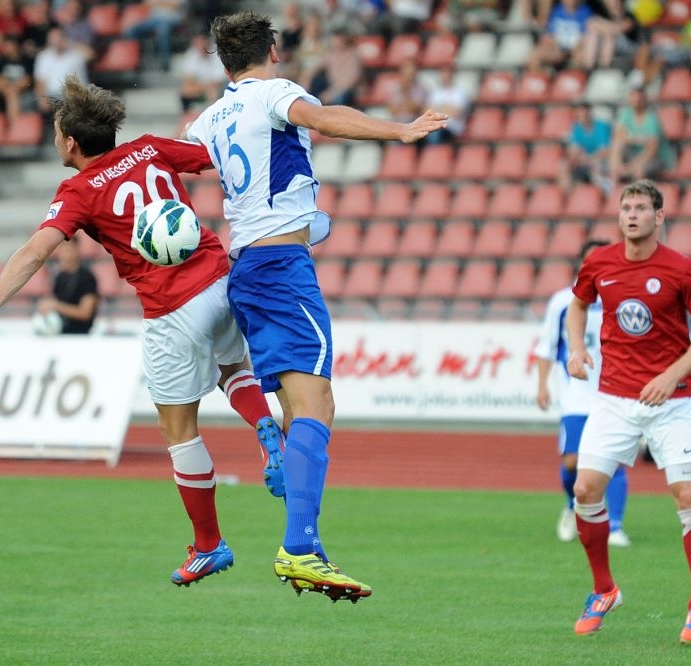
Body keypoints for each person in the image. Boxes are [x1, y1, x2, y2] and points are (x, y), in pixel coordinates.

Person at [0, 74, 287, 589]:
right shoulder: (150, 148)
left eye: (56, 132)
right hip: (220, 278)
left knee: (179, 431)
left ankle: (209, 545)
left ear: (70, 142)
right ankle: (266, 428)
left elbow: (37, 251)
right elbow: (214, 157)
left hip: (172, 308)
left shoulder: (78, 190)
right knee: (233, 367)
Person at [184, 9, 447, 603]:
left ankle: (288, 485)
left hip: (245, 266)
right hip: (281, 267)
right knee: (318, 404)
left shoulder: (207, 119)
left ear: (223, 63)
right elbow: (324, 118)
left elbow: (179, 161)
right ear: (273, 52)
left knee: (302, 407)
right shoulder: (275, 93)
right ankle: (300, 547)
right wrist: (400, 130)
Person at [565, 179, 691, 645]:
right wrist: (576, 348)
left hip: (670, 402)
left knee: (687, 495)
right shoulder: (599, 262)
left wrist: (672, 375)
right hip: (614, 398)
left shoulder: (683, 270)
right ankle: (603, 590)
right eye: (626, 208)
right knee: (584, 489)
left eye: (640, 208)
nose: (632, 215)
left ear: (659, 216)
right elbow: (578, 306)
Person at [535, 239, 630, 548]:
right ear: (581, 264)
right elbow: (547, 345)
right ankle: (571, 505)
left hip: (615, 392)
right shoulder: (563, 301)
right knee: (572, 462)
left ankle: (615, 527)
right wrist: (542, 385)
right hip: (576, 395)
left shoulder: (624, 297)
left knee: (613, 461)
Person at [607, 85, 674, 187]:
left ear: (644, 100)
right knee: (617, 144)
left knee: (639, 170)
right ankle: (615, 184)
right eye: (633, 99)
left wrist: (633, 164)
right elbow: (619, 135)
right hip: (634, 154)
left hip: (656, 159)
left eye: (638, 100)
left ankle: (638, 193)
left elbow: (652, 149)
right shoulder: (627, 114)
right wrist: (639, 139)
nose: (636, 102)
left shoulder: (651, 119)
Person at [35, 234, 99, 335]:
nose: (65, 253)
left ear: (77, 250)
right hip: (61, 333)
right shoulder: (60, 277)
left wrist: (56, 306)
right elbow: (54, 301)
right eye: (62, 248)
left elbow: (86, 313)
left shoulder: (86, 277)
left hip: (80, 335)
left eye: (69, 249)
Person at [560, 103, 613, 192]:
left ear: (589, 113)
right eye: (579, 114)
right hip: (585, 160)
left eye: (584, 113)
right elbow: (574, 149)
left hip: (600, 160)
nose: (582, 117)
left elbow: (605, 150)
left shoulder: (602, 126)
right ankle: (567, 193)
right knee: (564, 165)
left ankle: (601, 192)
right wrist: (579, 158)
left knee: (597, 165)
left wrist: (590, 158)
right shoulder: (576, 128)